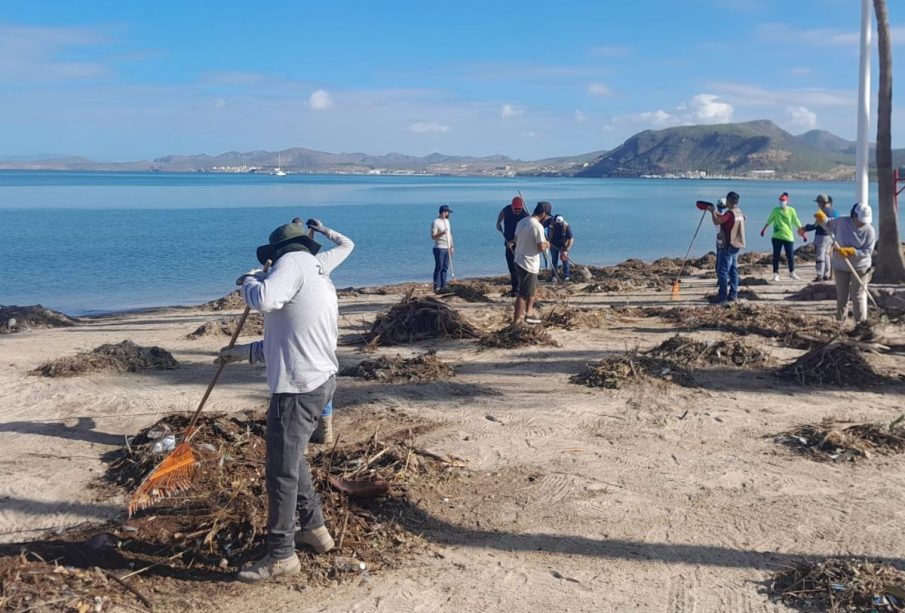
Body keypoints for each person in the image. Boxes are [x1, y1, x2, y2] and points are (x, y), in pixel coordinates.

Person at [218, 222, 339, 582]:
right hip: (319, 380)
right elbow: (290, 340)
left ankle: (282, 555)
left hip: (297, 389)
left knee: (280, 473)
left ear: (278, 253)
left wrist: (248, 280)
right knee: (291, 459)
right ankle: (315, 529)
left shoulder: (292, 264)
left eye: (271, 260)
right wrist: (240, 353)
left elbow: (264, 299)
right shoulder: (317, 272)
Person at [815, 202, 876, 324]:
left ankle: (860, 324)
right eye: (861, 219)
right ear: (854, 215)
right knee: (842, 296)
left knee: (857, 296)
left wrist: (852, 251)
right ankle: (840, 323)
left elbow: (868, 251)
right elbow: (828, 224)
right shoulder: (842, 222)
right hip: (841, 265)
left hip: (860, 267)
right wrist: (822, 217)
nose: (863, 223)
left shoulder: (869, 230)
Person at [512, 201, 552, 325]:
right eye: (548, 216)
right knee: (523, 293)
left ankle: (529, 313)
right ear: (544, 213)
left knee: (532, 289)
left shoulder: (522, 222)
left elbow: (516, 239)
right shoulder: (537, 226)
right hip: (528, 263)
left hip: (519, 259)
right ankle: (517, 320)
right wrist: (547, 244)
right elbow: (540, 247)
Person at [707, 191, 746, 305]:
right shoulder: (738, 212)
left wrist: (712, 212)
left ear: (729, 201)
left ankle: (722, 296)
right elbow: (724, 217)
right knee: (733, 270)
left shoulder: (730, 214)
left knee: (722, 271)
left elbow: (717, 221)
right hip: (736, 245)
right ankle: (733, 294)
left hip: (728, 245)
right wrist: (715, 211)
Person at [760, 192, 804, 282]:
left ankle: (792, 273)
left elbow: (796, 221)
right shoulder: (775, 210)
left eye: (783, 200)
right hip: (777, 237)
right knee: (776, 255)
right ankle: (775, 274)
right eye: (780, 200)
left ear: (787, 200)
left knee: (790, 256)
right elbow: (770, 219)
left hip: (788, 237)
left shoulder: (791, 210)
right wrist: (764, 229)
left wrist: (803, 233)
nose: (781, 202)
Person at [798, 194, 837, 282]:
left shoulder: (821, 212)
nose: (818, 204)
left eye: (818, 203)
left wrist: (805, 228)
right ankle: (827, 274)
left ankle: (820, 275)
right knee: (827, 255)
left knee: (820, 256)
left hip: (821, 236)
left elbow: (815, 225)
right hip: (831, 237)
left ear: (821, 203)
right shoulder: (834, 212)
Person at [495, 196, 529, 296]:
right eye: (515, 209)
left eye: (519, 209)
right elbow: (502, 213)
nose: (517, 211)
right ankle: (515, 288)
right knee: (511, 267)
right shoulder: (507, 209)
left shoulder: (525, 216)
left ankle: (519, 289)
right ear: (512, 207)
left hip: (520, 245)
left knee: (519, 267)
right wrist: (498, 223)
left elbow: (523, 233)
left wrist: (513, 242)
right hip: (508, 243)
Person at [431, 205, 454, 293]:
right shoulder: (435, 222)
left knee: (445, 267)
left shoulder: (447, 221)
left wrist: (452, 246)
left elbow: (450, 235)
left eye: (448, 212)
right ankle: (436, 285)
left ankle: (443, 285)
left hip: (447, 247)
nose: (448, 214)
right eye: (447, 212)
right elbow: (433, 236)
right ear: (443, 212)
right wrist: (442, 233)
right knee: (439, 266)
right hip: (439, 248)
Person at [548, 215, 574, 281]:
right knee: (554, 260)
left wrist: (567, 249)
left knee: (565, 260)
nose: (559, 225)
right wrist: (548, 242)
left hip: (563, 245)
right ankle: (554, 276)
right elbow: (549, 236)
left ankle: (566, 275)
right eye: (557, 223)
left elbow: (571, 238)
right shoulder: (552, 225)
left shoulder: (566, 226)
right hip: (553, 244)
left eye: (560, 224)